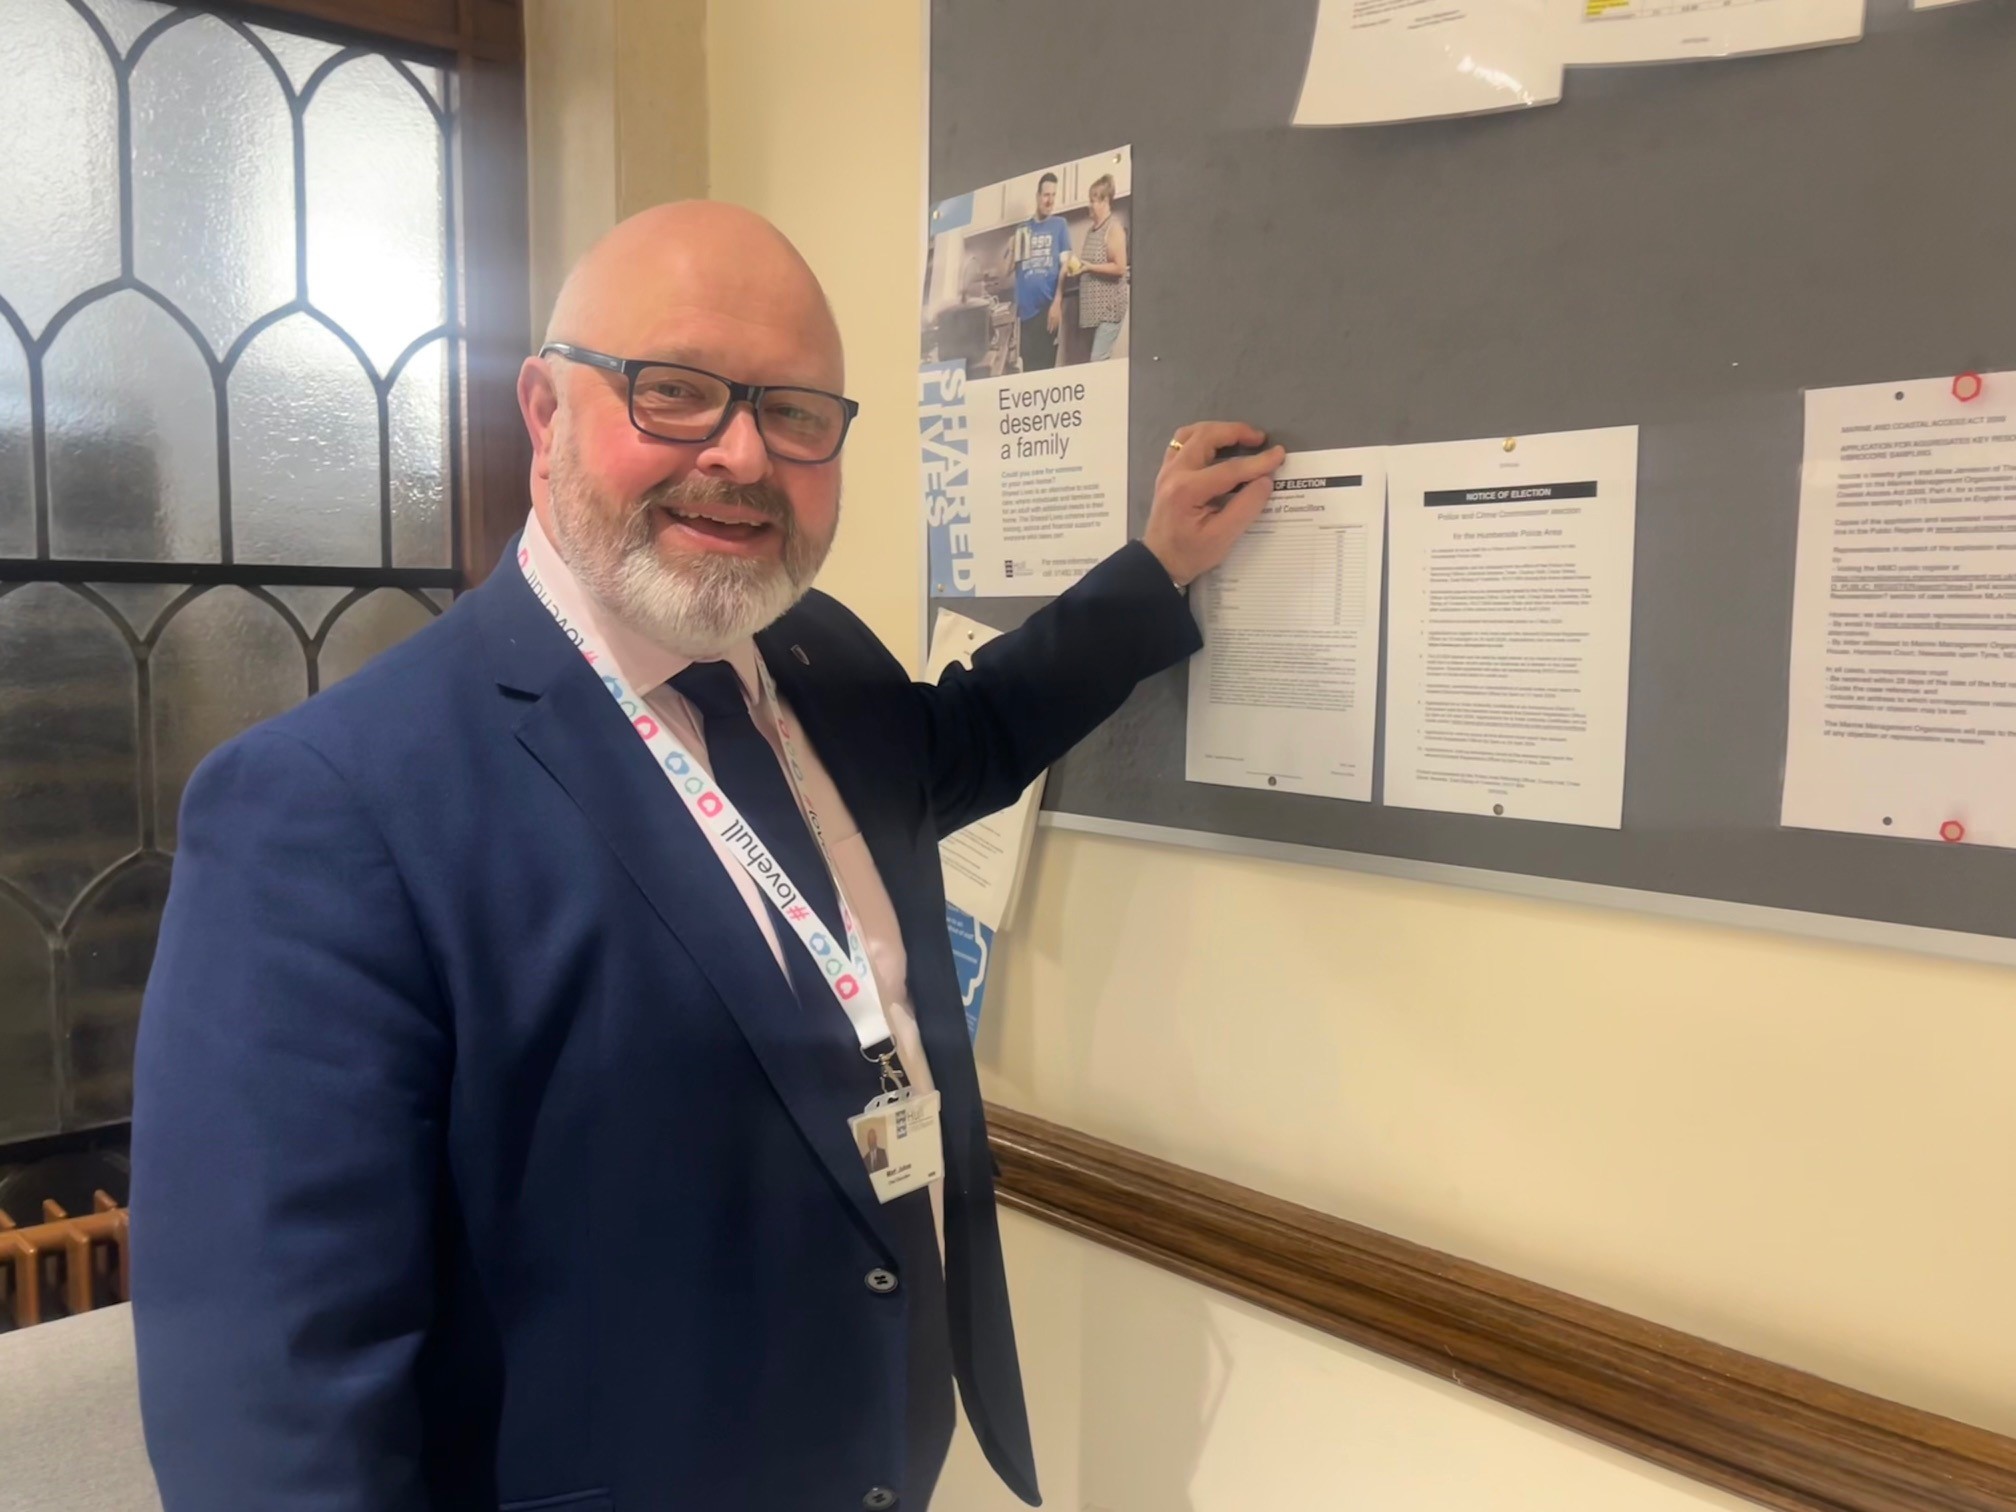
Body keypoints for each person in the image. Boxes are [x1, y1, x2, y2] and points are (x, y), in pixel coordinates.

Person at [129, 200, 1282, 1512]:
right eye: (673, 393)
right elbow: (273, 1408)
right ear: (547, 412)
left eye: (796, 413)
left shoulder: (818, 660)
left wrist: (1159, 566)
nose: (741, 455)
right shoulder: (328, 810)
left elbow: (964, 739)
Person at [1007, 171, 1072, 372]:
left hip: (1048, 310)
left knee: (1045, 370)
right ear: (1037, 196)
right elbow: (1010, 270)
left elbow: (1065, 266)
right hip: (1025, 314)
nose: (1050, 200)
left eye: (1053, 195)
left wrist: (1057, 303)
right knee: (1028, 371)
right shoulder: (1023, 229)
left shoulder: (1060, 225)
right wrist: (1011, 248)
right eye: (1046, 195)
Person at [1076, 174, 1129, 363]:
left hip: (1109, 310)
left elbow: (1120, 268)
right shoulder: (1092, 230)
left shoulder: (1113, 228)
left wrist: (1089, 267)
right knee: (1095, 364)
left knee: (1097, 361)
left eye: (1093, 201)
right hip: (1094, 315)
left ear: (1105, 201)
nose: (1089, 205)